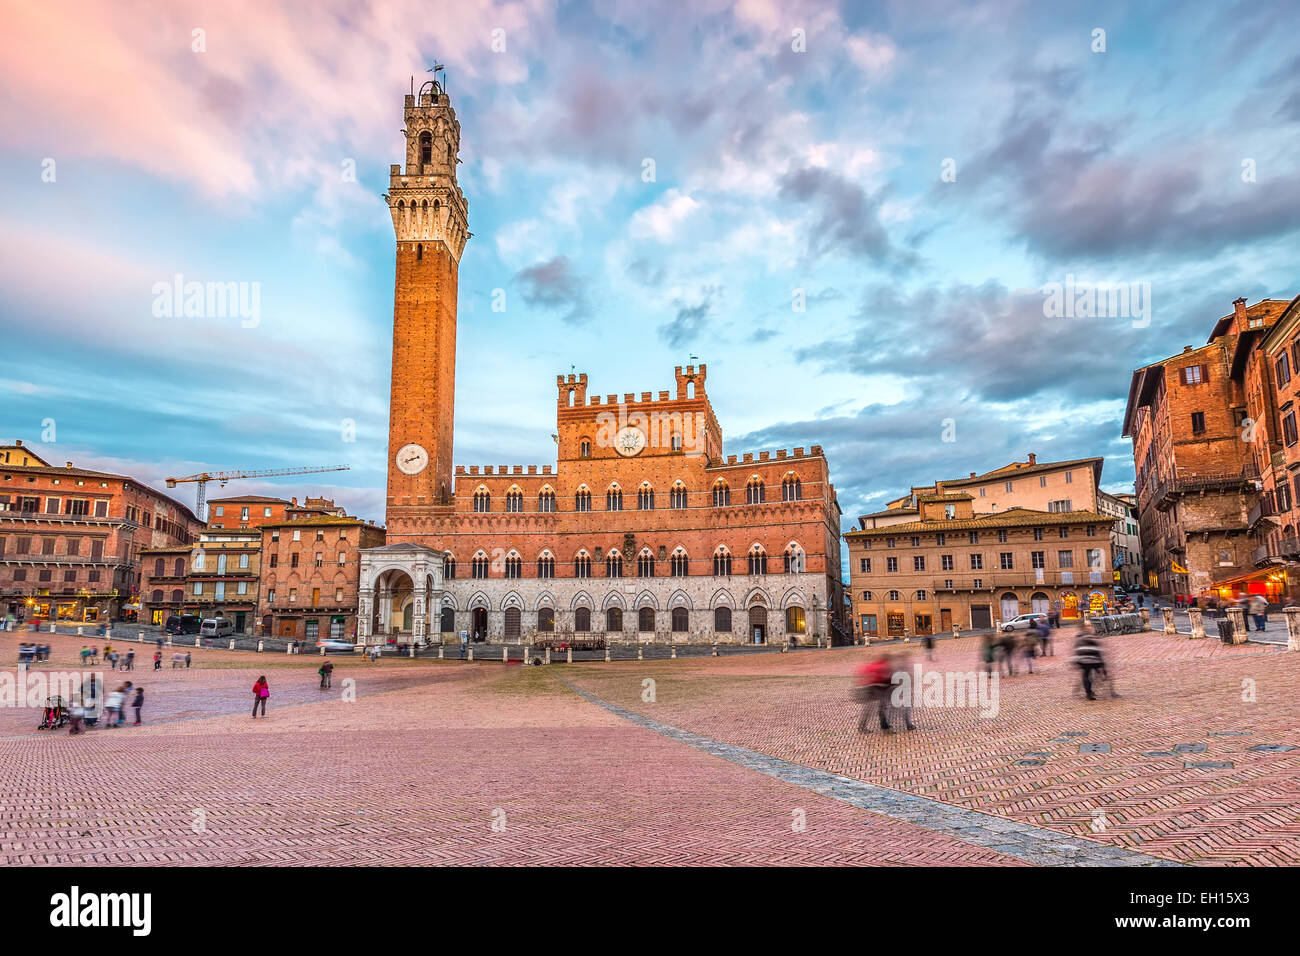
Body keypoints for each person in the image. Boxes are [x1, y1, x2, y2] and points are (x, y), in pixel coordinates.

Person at [853, 653, 895, 733]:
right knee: (875, 708)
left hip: (871, 689)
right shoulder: (883, 666)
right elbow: (885, 678)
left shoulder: (874, 665)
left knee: (876, 708)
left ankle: (882, 724)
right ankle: (864, 727)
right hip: (876, 690)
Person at [1072, 632, 1105, 700]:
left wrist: (1076, 663)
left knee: (1086, 676)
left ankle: (1088, 692)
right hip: (1093, 661)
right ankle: (1090, 691)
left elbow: (1077, 653)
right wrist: (1102, 668)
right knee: (1091, 675)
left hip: (1083, 662)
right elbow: (1098, 654)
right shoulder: (1093, 642)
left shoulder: (1078, 643)